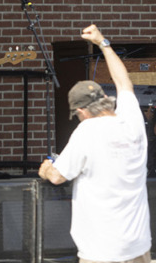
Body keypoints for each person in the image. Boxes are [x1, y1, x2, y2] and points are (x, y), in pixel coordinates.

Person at [38, 25, 151, 263]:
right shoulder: (132, 120)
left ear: (81, 111)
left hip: (101, 249)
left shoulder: (87, 131)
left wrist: (47, 166)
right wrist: (103, 44)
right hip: (138, 246)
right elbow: (124, 83)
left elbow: (58, 176)